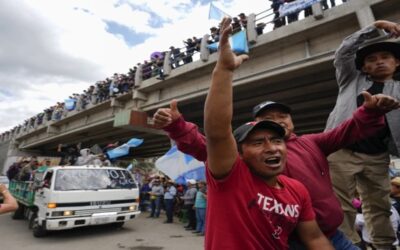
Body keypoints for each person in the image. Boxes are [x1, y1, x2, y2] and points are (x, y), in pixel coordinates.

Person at [152, 24, 400, 250]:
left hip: (331, 236)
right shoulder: (237, 168)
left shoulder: (309, 150)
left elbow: (348, 131)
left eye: (283, 118)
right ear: (246, 141)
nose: (271, 146)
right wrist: (178, 126)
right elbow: (214, 138)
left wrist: (369, 113)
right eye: (260, 138)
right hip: (286, 241)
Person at [200, 17, 332, 249]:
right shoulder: (232, 178)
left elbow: (314, 238)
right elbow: (217, 131)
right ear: (240, 154)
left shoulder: (297, 190)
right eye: (258, 142)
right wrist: (224, 69)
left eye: (277, 140)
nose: (271, 147)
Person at [325, 20, 400, 249]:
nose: (378, 62)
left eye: (385, 57)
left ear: (397, 62)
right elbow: (343, 53)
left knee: (379, 206)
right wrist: (374, 27)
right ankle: (349, 246)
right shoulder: (350, 80)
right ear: (364, 67)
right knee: (340, 205)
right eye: (371, 60)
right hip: (342, 150)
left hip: (377, 156)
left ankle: (384, 246)